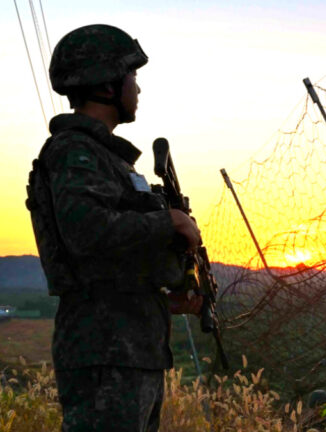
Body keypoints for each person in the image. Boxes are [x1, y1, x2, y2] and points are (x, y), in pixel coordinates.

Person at [26, 24, 202, 431]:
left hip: (130, 349)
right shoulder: (74, 151)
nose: (137, 88)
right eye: (132, 77)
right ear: (106, 84)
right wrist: (169, 220)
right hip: (105, 353)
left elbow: (114, 263)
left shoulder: (109, 159)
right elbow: (87, 232)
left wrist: (166, 299)